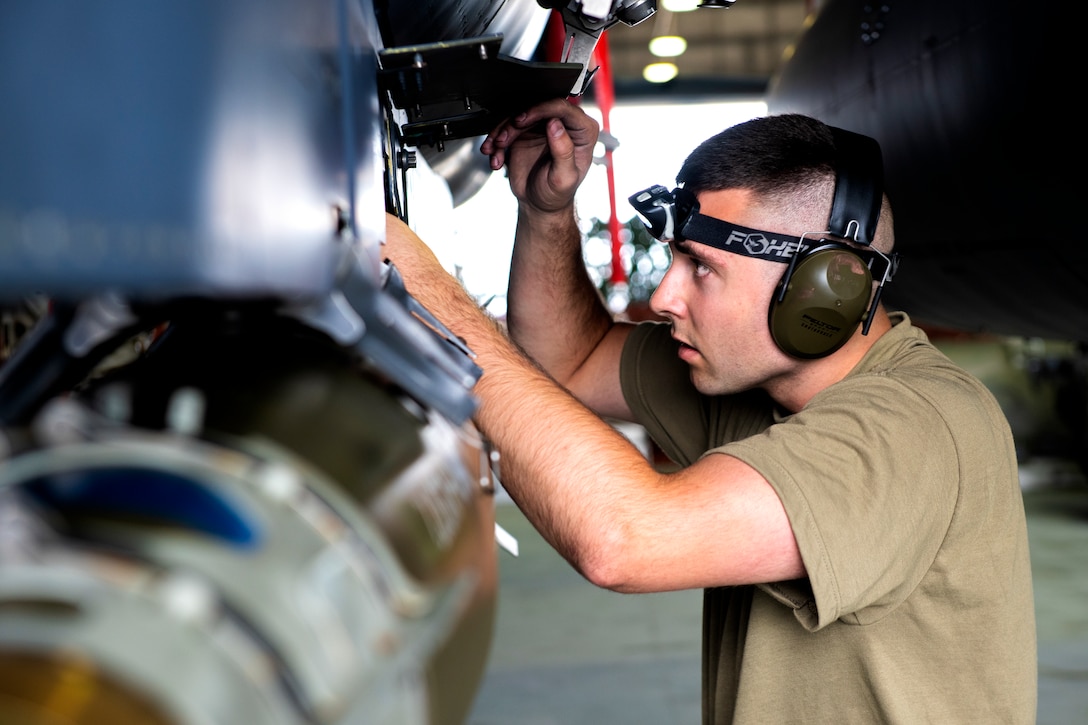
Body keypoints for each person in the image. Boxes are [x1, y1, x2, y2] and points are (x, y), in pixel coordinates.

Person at [383, 98, 1037, 723]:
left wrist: (433, 294)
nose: (664, 294)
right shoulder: (755, 383)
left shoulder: (911, 428)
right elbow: (570, 361)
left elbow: (624, 539)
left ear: (824, 290)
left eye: (700, 267)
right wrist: (548, 211)